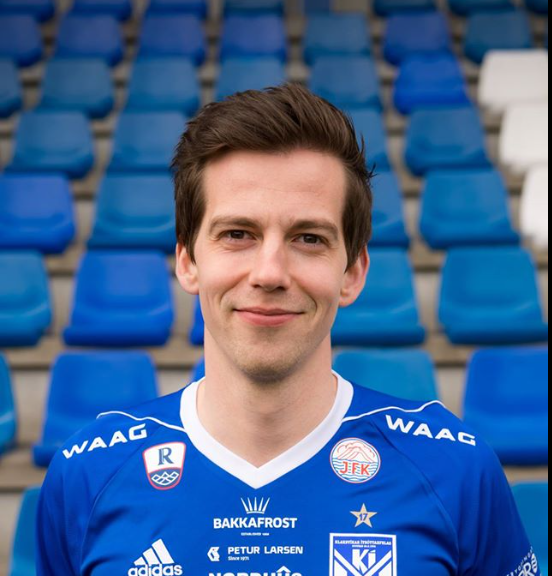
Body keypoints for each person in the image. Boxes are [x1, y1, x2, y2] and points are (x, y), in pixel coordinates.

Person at [36, 84, 541, 576]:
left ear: (353, 272)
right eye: (238, 234)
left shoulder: (455, 469)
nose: (270, 273)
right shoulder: (88, 474)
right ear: (188, 261)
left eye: (309, 238)